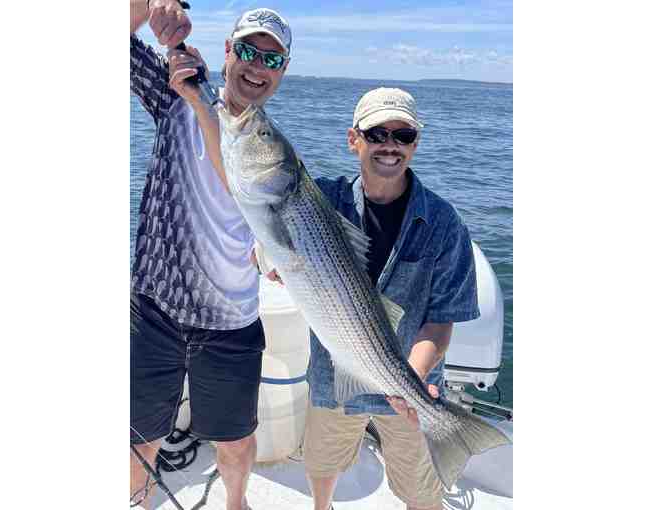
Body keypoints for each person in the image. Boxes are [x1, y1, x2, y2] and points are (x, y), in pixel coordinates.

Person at [129, 1, 292, 509]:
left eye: (271, 59)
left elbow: (257, 206)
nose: (256, 66)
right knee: (137, 436)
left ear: (283, 72)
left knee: (237, 439)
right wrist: (151, 5)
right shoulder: (175, 93)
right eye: (247, 50)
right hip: (155, 308)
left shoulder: (274, 150)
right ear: (228, 52)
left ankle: (236, 502)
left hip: (232, 318)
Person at [302, 88, 481, 510]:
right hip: (335, 377)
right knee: (323, 466)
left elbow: (440, 320)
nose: (390, 145)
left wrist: (412, 380)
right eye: (378, 132)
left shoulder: (443, 222)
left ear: (415, 145)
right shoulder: (321, 202)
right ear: (354, 139)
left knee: (422, 491)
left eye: (403, 135)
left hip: (411, 383)